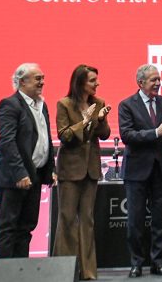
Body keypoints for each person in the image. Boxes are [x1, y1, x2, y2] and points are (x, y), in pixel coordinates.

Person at [119, 64, 162, 278]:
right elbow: (127, 136)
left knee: (160, 219)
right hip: (136, 170)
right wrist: (156, 132)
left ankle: (158, 263)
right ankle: (136, 263)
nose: (158, 83)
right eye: (154, 80)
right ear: (140, 83)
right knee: (135, 220)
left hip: (160, 169)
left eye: (159, 79)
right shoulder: (127, 105)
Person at [53, 65, 111, 280]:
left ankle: (88, 272)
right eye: (92, 80)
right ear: (80, 82)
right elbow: (64, 135)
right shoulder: (64, 104)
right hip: (70, 169)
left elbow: (104, 135)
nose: (97, 84)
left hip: (91, 168)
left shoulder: (99, 103)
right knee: (67, 219)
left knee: (87, 220)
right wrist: (85, 121)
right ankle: (64, 271)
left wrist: (100, 120)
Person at [0, 63, 55, 259]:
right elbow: (7, 141)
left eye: (43, 78)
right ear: (22, 82)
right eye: (37, 78)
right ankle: (5, 272)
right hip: (14, 178)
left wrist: (50, 169)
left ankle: (21, 270)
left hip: (34, 176)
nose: (42, 82)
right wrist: (20, 173)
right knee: (9, 227)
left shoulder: (42, 105)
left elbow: (45, 139)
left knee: (26, 227)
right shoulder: (10, 104)